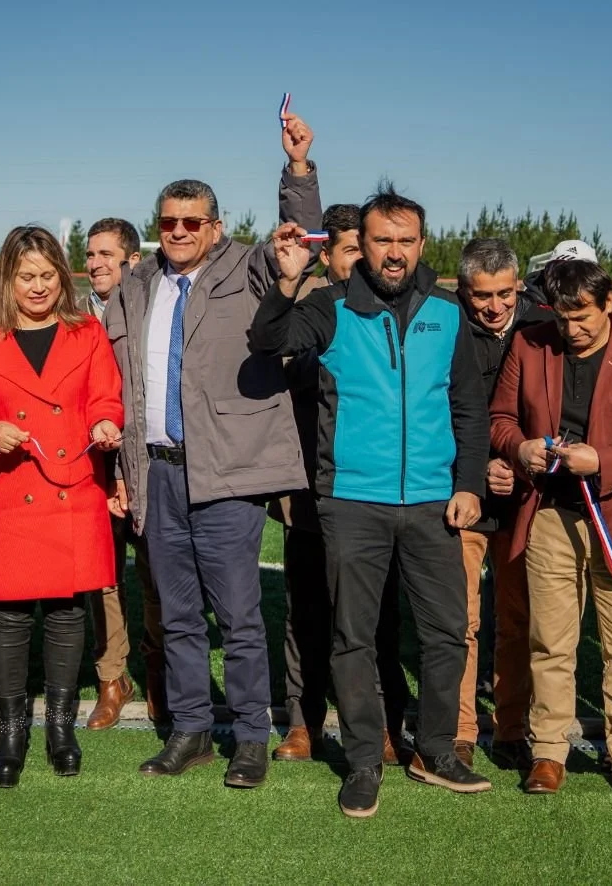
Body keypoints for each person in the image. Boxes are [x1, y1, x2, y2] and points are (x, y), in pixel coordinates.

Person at [253, 183, 491, 819]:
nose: (394, 252)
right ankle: (362, 762)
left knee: (447, 634)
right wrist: (286, 280)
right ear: (361, 244)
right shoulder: (330, 307)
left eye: (405, 240)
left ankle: (435, 751)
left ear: (422, 244)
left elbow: (469, 407)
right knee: (353, 637)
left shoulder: (448, 312)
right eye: (382, 239)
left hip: (435, 504)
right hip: (352, 501)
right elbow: (266, 340)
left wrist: (469, 484)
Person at [104, 111, 321, 789]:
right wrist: (121, 469)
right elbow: (116, 378)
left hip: (228, 473)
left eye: (191, 222)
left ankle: (250, 736)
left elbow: (296, 240)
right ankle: (192, 730)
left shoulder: (248, 266)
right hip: (157, 471)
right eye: (168, 222)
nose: (178, 231)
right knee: (175, 615)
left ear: (216, 227)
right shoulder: (137, 285)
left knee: (238, 615)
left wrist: (297, 170)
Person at [0, 227, 123, 787]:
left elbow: (105, 394)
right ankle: (12, 730)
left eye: (47, 276)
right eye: (26, 277)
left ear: (61, 277)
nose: (38, 287)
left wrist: (104, 420)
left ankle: (60, 729)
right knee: (9, 617)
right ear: (7, 279)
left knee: (67, 614)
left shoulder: (87, 331)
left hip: (72, 491)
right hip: (8, 492)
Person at [489, 259, 612, 799]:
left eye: (582, 318)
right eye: (562, 318)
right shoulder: (529, 344)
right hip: (551, 514)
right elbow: (500, 419)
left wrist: (604, 462)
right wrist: (519, 447)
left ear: (609, 303)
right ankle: (549, 751)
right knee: (550, 642)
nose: (571, 330)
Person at [272, 204, 411, 767]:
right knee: (306, 610)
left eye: (367, 249)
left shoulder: (393, 309)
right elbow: (282, 363)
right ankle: (302, 721)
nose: (364, 260)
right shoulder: (312, 309)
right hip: (311, 486)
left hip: (374, 492)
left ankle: (384, 724)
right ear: (326, 255)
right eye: (352, 250)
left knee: (376, 617)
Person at [453, 237, 551, 771]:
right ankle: (461, 729)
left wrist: (517, 462)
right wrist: (474, 470)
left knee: (518, 619)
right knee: (461, 620)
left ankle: (512, 727)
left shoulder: (544, 327)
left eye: (505, 294)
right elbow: (430, 413)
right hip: (463, 494)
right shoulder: (444, 327)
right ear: (462, 289)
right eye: (482, 295)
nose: (494, 307)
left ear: (519, 286)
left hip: (525, 497)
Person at [81, 216, 164, 730]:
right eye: (90, 254)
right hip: (91, 468)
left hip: (148, 464)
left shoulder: (156, 311)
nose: (95, 263)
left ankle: (158, 668)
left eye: (105, 254)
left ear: (133, 260)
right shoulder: (74, 317)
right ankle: (112, 677)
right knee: (103, 577)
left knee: (156, 573)